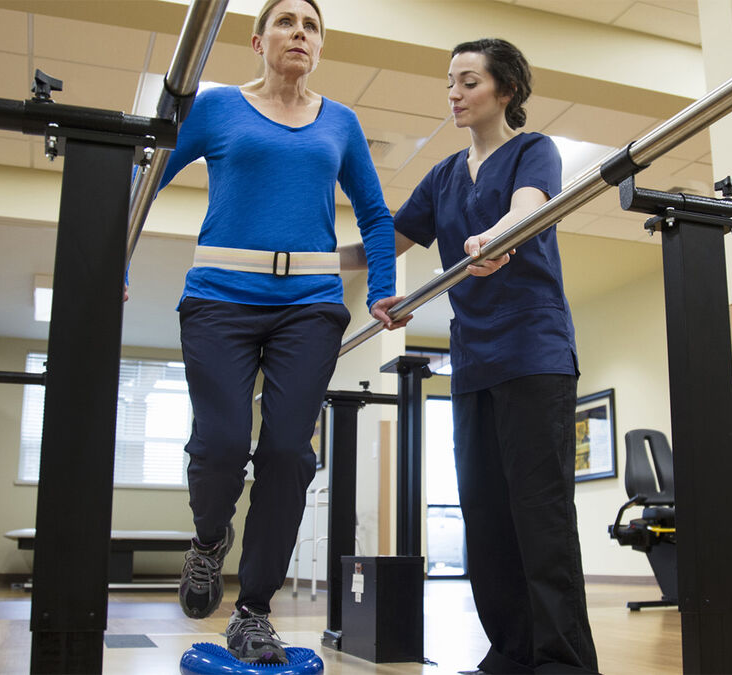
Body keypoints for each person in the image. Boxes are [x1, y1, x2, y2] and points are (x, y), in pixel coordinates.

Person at [151, 0, 406, 664]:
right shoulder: (216, 109)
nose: (301, 32)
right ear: (257, 40)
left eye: (312, 25)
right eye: (288, 21)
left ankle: (254, 611)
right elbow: (146, 174)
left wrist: (380, 287)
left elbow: (377, 217)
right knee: (225, 439)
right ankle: (209, 541)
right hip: (218, 299)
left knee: (290, 453)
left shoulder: (341, 123)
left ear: (320, 46)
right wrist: (113, 252)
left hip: (309, 305)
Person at [352, 38, 599, 674]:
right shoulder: (441, 176)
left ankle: (563, 663)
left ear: (505, 91)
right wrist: (354, 277)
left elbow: (528, 207)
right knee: (484, 515)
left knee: (539, 517)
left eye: (468, 82)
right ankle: (511, 652)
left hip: (534, 352)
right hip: (473, 360)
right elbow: (390, 238)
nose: (454, 94)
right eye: (451, 83)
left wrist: (497, 236)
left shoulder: (531, 150)